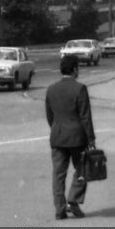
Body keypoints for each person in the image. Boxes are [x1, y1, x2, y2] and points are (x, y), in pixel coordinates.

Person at [45, 54, 95, 220]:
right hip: (77, 138)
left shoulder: (51, 89)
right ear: (74, 69)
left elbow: (50, 115)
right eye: (78, 67)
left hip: (58, 137)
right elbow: (85, 117)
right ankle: (73, 199)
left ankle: (60, 210)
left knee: (58, 175)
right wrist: (91, 139)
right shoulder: (80, 89)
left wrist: (57, 128)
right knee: (82, 169)